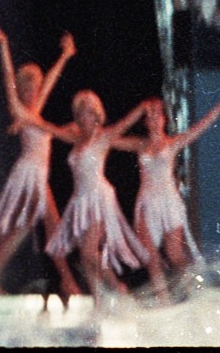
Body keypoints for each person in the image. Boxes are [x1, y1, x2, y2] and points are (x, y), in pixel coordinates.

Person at [0, 22, 82, 295]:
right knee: (29, 226)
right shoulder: (21, 112)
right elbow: (7, 77)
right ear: (21, 89)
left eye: (35, 86)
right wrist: (3, 46)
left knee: (53, 226)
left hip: (39, 174)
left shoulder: (36, 109)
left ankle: (66, 280)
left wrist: (65, 55)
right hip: (28, 174)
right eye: (27, 86)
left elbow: (51, 80)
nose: (33, 90)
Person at [34, 89, 150, 295]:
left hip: (99, 199)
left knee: (88, 251)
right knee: (85, 255)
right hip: (79, 202)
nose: (82, 116)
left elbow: (125, 123)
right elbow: (48, 127)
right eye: (79, 112)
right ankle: (98, 300)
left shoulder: (103, 136)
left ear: (96, 114)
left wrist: (142, 108)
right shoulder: (75, 138)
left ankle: (117, 287)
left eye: (87, 112)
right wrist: (26, 119)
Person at [132, 95, 220, 283]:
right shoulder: (139, 144)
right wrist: (138, 110)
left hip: (169, 201)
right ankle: (163, 302)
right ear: (145, 121)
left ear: (164, 119)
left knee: (175, 255)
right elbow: (109, 138)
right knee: (149, 256)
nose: (154, 120)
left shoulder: (172, 142)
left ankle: (195, 288)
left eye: (157, 115)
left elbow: (200, 128)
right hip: (147, 202)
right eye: (150, 116)